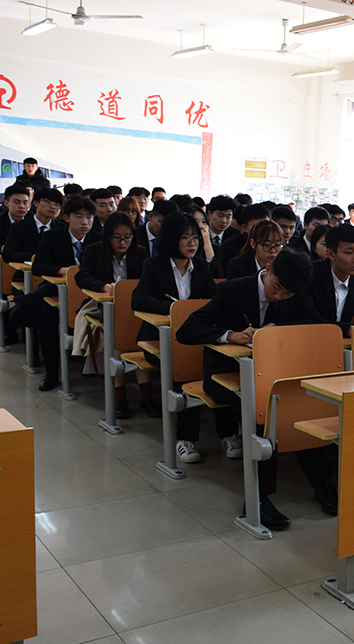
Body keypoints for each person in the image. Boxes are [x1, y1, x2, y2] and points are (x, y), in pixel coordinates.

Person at [177, 249, 332, 531]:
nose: (279, 296)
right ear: (268, 269)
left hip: (272, 375)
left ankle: (322, 485)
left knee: (301, 406)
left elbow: (314, 323)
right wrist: (229, 335)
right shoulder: (233, 290)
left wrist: (276, 330)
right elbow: (186, 330)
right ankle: (259, 499)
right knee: (266, 411)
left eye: (287, 294)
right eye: (276, 288)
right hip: (226, 374)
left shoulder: (296, 293)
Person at [131, 212, 217, 464]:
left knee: (218, 364)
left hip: (193, 338)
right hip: (159, 340)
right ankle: (185, 439)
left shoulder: (201, 266)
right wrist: (174, 309)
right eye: (184, 238)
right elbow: (139, 300)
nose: (192, 243)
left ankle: (229, 434)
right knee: (186, 367)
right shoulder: (154, 265)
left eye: (195, 237)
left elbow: (214, 299)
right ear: (170, 239)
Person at [76, 212, 154, 417]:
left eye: (127, 237)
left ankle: (146, 396)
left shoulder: (140, 252)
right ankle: (120, 397)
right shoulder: (94, 251)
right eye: (117, 237)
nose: (122, 242)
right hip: (103, 305)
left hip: (134, 308)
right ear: (106, 236)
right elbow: (82, 277)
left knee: (139, 333)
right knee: (118, 334)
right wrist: (103, 286)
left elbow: (147, 281)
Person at [30, 195, 96, 391]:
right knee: (46, 315)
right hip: (59, 292)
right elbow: (38, 266)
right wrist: (65, 271)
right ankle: (51, 374)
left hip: (90, 295)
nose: (85, 222)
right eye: (78, 217)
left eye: (89, 217)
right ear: (66, 218)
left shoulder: (98, 239)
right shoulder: (53, 237)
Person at [217, 203, 271, 273]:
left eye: (266, 225)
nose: (262, 230)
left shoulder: (277, 245)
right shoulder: (230, 246)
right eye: (256, 226)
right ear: (245, 227)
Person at [0, 183, 32, 248]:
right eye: (17, 202)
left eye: (25, 203)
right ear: (6, 202)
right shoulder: (1, 220)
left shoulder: (34, 220)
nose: (21, 206)